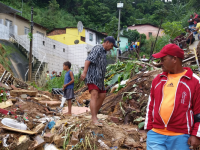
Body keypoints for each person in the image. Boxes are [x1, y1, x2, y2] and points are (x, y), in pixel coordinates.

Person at [145, 44, 200, 150]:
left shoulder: (194, 81)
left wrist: (196, 134)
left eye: (163, 59)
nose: (160, 63)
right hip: (156, 135)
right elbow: (150, 105)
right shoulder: (158, 80)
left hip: (181, 136)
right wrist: (148, 128)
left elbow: (199, 112)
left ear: (174, 59)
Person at [81, 36, 118, 126]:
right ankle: (93, 118)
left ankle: (95, 115)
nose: (112, 48)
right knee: (94, 95)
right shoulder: (97, 48)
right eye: (112, 45)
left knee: (103, 95)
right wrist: (84, 72)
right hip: (93, 77)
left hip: (100, 79)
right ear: (107, 42)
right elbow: (88, 60)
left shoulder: (104, 52)